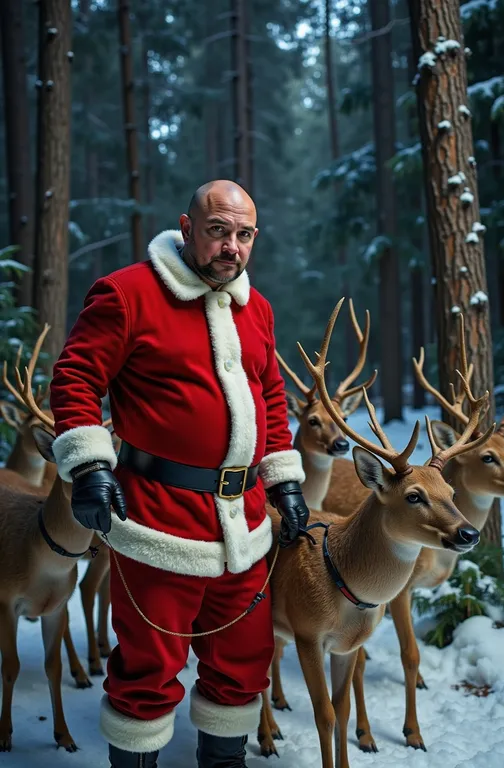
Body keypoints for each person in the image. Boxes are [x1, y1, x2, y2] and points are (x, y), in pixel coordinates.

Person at [49, 180, 310, 768]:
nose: (231, 248)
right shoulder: (128, 294)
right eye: (219, 231)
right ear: (188, 228)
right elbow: (75, 378)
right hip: (159, 520)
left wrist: (284, 480)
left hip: (242, 524)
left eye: (244, 235)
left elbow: (270, 395)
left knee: (244, 660)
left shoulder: (256, 307)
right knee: (148, 668)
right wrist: (90, 465)